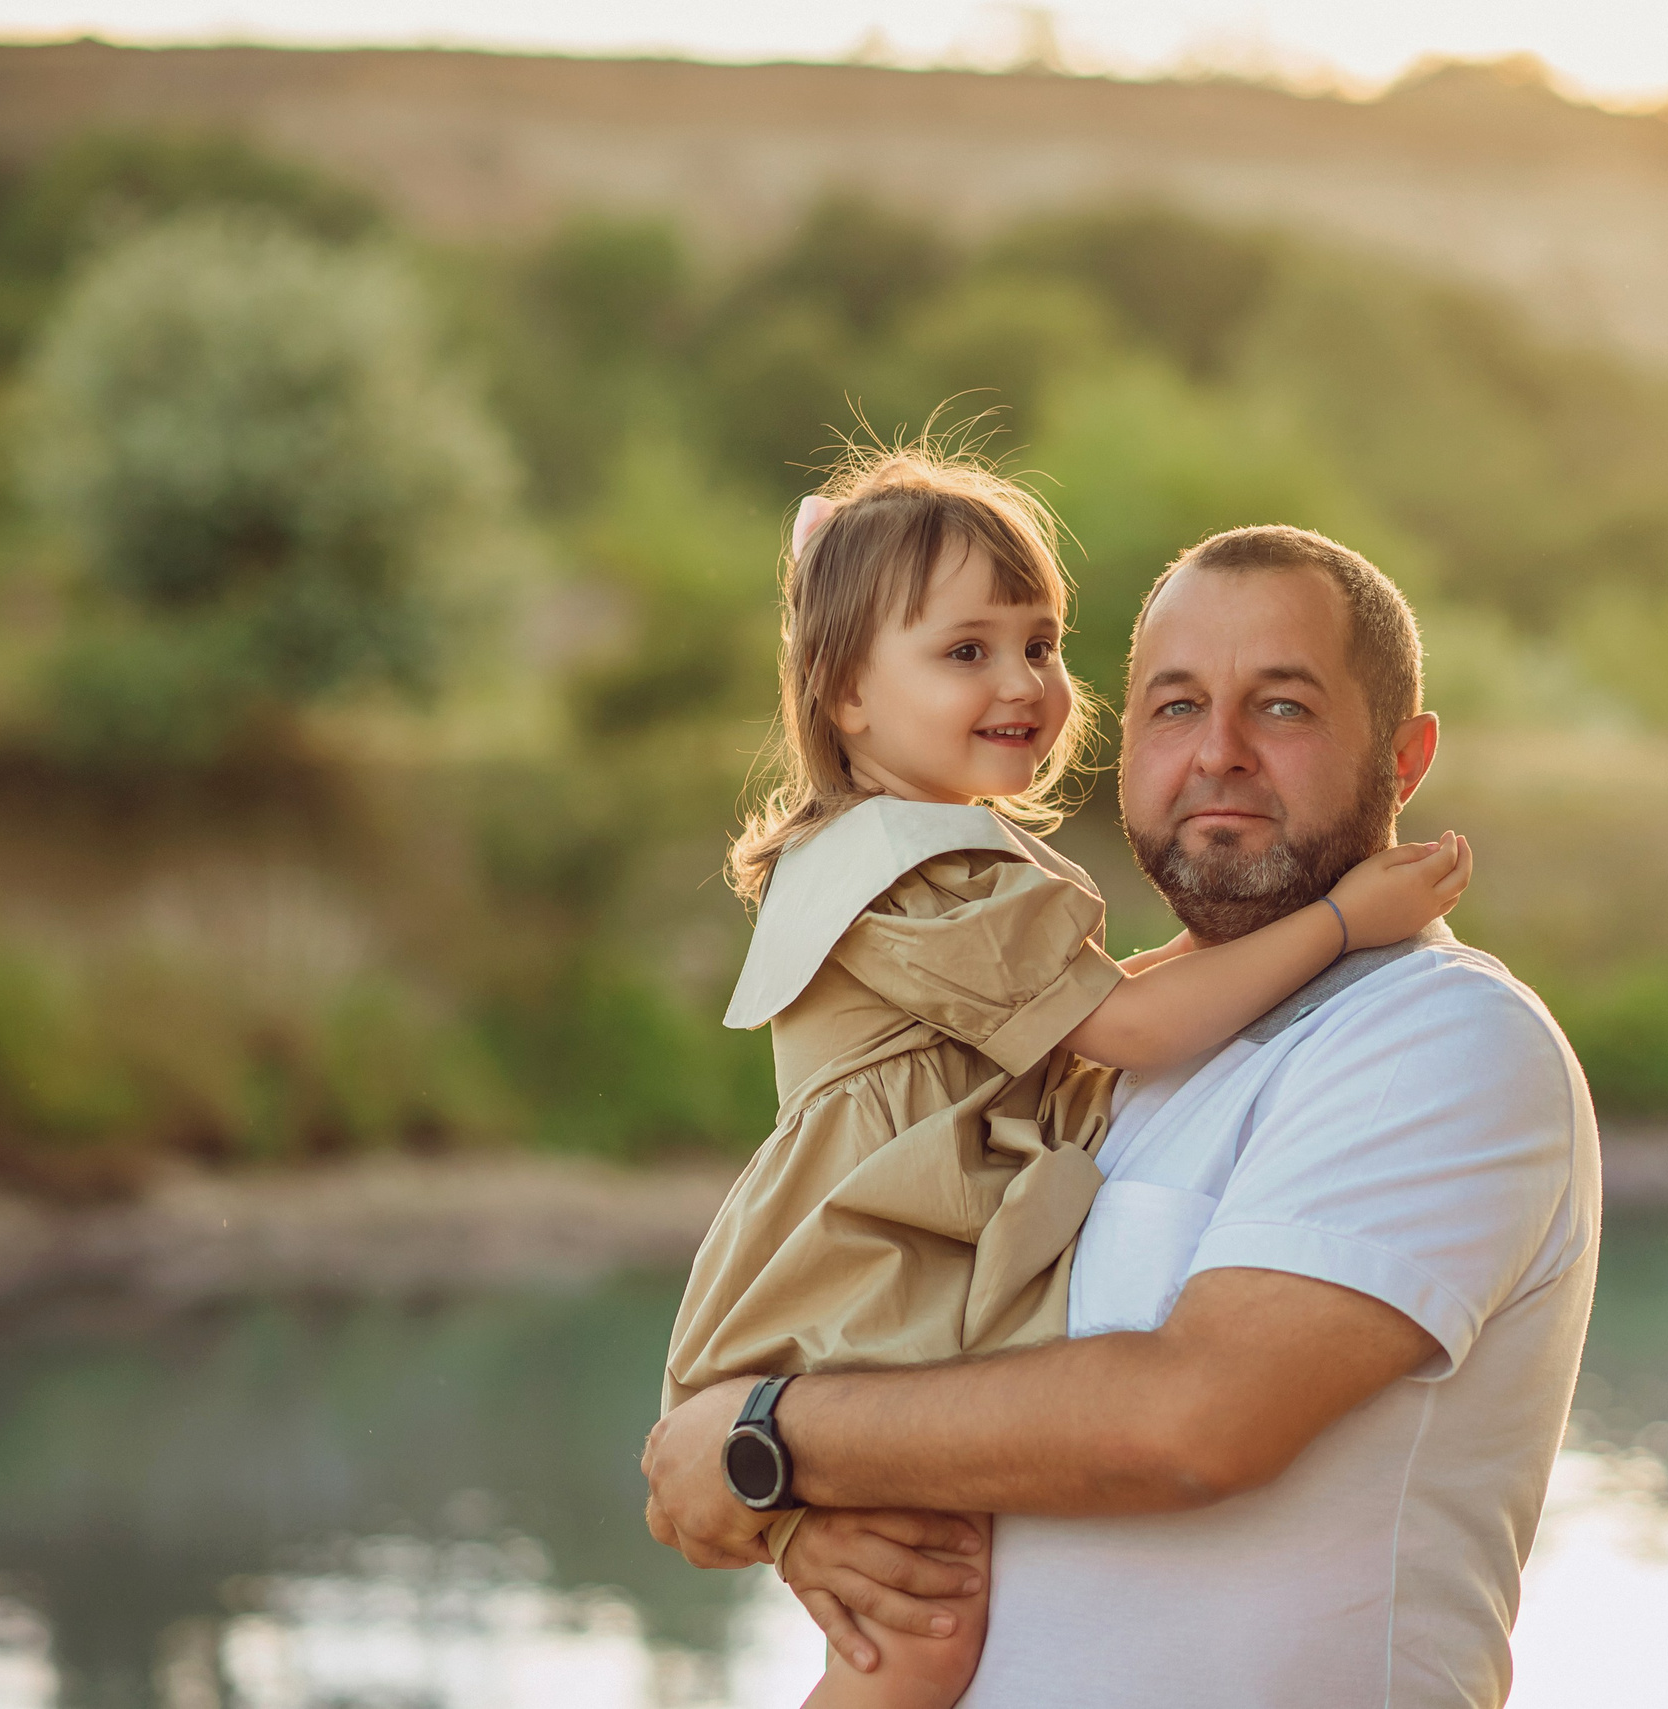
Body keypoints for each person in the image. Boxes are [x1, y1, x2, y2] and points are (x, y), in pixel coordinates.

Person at [646, 523, 1601, 1709]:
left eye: (1285, 707)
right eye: (1174, 704)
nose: (1219, 753)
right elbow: (955, 1414)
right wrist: (808, 1508)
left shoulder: (1435, 1036)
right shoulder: (1096, 1065)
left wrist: (769, 1439)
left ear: (1403, 759)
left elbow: (1191, 1421)